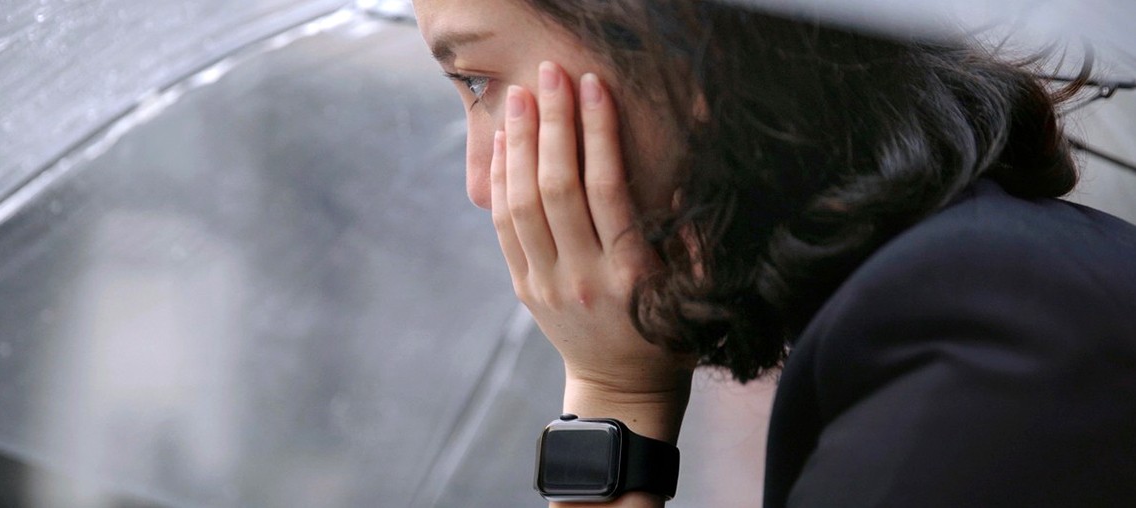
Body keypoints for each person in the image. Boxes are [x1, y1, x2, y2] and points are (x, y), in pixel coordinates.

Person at [412, 0, 1136, 506]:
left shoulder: (972, 332)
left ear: (684, 40)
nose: (481, 182)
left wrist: (616, 398)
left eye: (478, 79)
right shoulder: (969, 288)